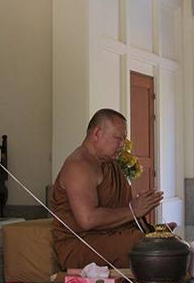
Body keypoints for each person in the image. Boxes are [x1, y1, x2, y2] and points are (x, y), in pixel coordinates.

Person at [51, 108, 164, 270]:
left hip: (111, 237)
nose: (122, 145)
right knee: (149, 250)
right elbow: (88, 220)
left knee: (165, 242)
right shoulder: (79, 165)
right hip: (81, 245)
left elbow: (119, 210)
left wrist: (150, 229)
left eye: (124, 140)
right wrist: (133, 210)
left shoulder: (109, 163)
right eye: (118, 138)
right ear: (97, 133)